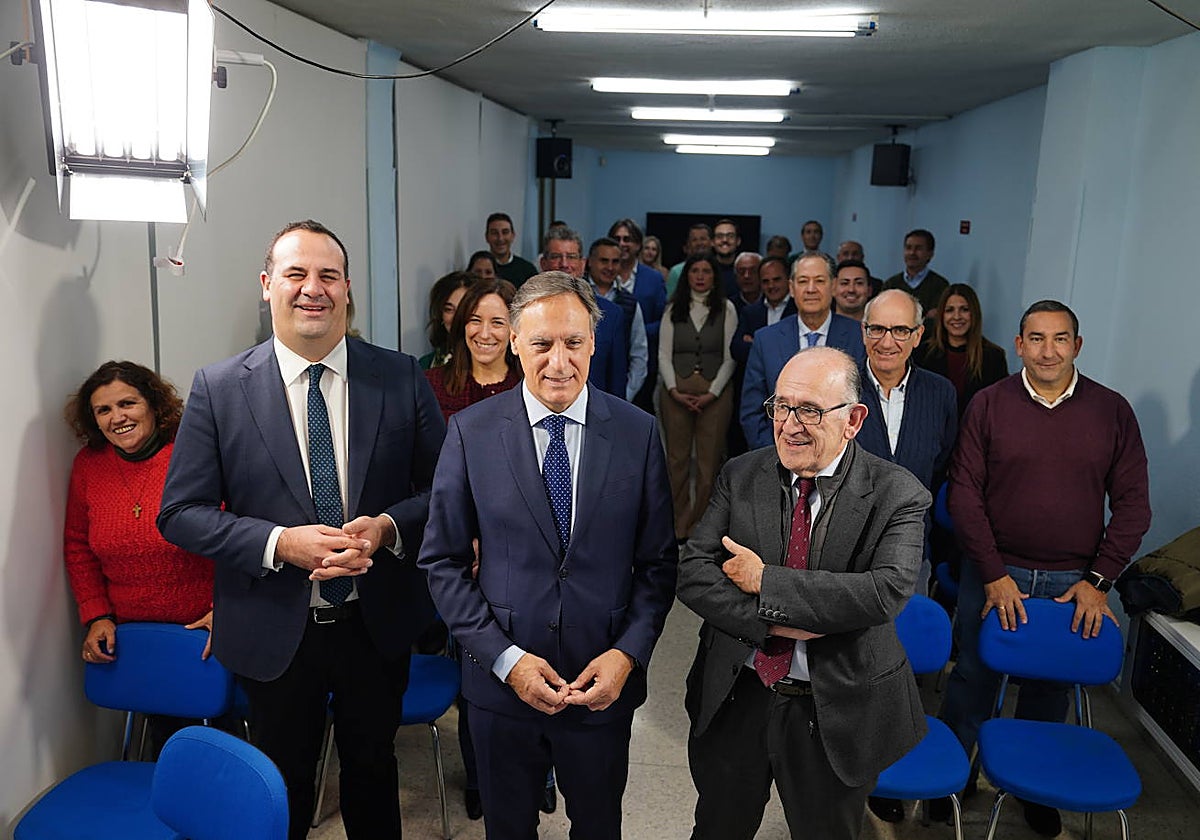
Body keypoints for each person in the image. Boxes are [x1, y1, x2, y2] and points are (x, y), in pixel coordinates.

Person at [159, 219, 446, 840]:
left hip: (375, 624)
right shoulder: (218, 388)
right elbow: (179, 513)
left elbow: (446, 490)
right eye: (295, 274)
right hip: (273, 628)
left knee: (373, 769)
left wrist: (390, 528)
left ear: (347, 290)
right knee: (277, 783)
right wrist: (279, 543)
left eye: (328, 275)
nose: (311, 288)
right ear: (267, 286)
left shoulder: (399, 377)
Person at [418, 271, 677, 840]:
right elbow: (442, 562)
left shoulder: (638, 434)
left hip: (600, 683)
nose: (559, 362)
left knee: (598, 825)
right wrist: (505, 659)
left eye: (574, 343)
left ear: (593, 343)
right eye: (541, 344)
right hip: (501, 687)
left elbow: (658, 566)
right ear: (514, 342)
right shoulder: (470, 433)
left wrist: (627, 655)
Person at [677, 346, 929, 840]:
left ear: (853, 420)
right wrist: (772, 620)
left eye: (809, 410)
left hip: (835, 709)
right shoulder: (741, 474)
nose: (789, 424)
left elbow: (883, 593)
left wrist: (764, 581)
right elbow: (693, 571)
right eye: (781, 406)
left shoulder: (898, 493)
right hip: (738, 694)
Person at [936, 300, 1151, 837]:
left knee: (1049, 688)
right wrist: (991, 572)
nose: (1048, 350)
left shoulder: (1112, 411)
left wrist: (1099, 581)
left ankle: (1033, 787)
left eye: (1060, 339)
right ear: (1019, 344)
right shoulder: (988, 405)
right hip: (993, 571)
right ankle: (951, 778)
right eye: (1036, 338)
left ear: (1077, 346)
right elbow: (963, 494)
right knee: (971, 680)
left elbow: (1133, 505)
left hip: (1071, 582)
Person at [64, 361, 214, 661]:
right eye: (103, 410)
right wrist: (96, 616)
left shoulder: (194, 452)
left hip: (206, 631)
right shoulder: (88, 465)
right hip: (130, 639)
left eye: (127, 404)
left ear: (153, 406)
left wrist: (228, 611)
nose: (117, 418)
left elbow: (238, 535)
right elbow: (78, 547)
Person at [740, 253, 866, 450]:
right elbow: (752, 412)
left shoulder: (860, 336)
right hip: (779, 456)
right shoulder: (766, 340)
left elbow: (865, 406)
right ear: (791, 288)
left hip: (842, 457)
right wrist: (776, 455)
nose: (810, 289)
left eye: (819, 281)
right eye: (803, 281)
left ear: (833, 286)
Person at [660, 253, 738, 540]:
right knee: (676, 461)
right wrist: (673, 390)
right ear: (687, 275)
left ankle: (701, 526)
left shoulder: (726, 308)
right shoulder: (673, 309)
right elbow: (663, 355)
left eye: (707, 271)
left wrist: (713, 392)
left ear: (715, 276)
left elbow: (730, 357)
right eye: (695, 271)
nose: (701, 276)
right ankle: (678, 524)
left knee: (709, 463)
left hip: (714, 394)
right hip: (676, 392)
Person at [539, 226, 628, 400]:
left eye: (571, 257)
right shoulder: (525, 310)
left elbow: (616, 381)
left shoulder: (611, 314)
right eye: (556, 256)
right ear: (543, 263)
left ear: (582, 264)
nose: (564, 264)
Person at [426, 278, 521, 422]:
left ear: (513, 330)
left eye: (497, 323)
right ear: (463, 325)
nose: (484, 334)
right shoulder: (431, 384)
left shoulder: (528, 389)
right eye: (475, 320)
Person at [914, 283, 1009, 418]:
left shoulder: (993, 357)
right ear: (941, 315)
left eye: (964, 309)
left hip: (976, 435)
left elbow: (999, 408)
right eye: (950, 310)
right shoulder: (922, 353)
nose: (957, 316)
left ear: (974, 313)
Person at [609, 218, 667, 410]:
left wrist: (636, 329)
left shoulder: (653, 278)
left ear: (638, 245)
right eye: (617, 238)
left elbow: (663, 321)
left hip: (643, 362)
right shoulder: (604, 274)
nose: (622, 243)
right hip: (605, 363)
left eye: (628, 239)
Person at [588, 236, 649, 401]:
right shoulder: (577, 296)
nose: (609, 267)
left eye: (615, 262)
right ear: (590, 262)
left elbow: (639, 353)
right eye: (604, 261)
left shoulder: (630, 303)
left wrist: (624, 395)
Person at [882, 229, 948, 319]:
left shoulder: (940, 285)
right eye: (908, 248)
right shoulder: (890, 284)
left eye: (918, 248)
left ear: (930, 254)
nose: (912, 253)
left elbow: (935, 321)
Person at [419, 271, 473, 370]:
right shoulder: (425, 364)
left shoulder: (491, 363)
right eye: (449, 310)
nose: (457, 317)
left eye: (464, 309)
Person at [486, 212, 538, 287]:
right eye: (494, 233)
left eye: (505, 232)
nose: (500, 238)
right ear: (487, 237)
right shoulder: (480, 269)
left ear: (513, 236)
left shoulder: (528, 270)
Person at [666, 222, 714, 297]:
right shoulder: (676, 271)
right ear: (688, 244)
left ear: (712, 242)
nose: (699, 243)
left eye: (703, 239)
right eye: (694, 240)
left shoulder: (718, 267)